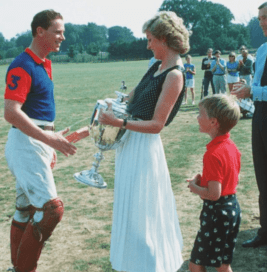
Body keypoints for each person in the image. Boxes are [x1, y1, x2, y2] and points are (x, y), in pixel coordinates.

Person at [98, 11, 189, 272]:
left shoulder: (174, 75)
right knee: (130, 212)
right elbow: (130, 101)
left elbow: (157, 125)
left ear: (164, 39)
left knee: (144, 214)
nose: (148, 45)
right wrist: (111, 106)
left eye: (150, 40)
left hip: (145, 148)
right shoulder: (155, 66)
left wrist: (119, 123)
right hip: (129, 144)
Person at [4, 10, 88, 272]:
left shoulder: (44, 63)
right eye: (58, 31)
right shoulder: (23, 64)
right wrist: (46, 137)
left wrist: (52, 139)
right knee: (51, 210)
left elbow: (36, 113)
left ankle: (17, 267)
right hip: (25, 143)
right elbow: (11, 113)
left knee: (25, 210)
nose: (63, 37)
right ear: (40, 31)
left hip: (35, 142)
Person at [232, 1, 267, 255]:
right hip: (261, 116)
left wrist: (253, 90)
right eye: (259, 19)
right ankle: (266, 232)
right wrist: (245, 88)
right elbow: (258, 84)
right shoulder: (262, 50)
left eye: (265, 18)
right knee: (264, 178)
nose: (262, 23)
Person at [187, 94, 241, 272]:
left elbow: (214, 194)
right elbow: (231, 179)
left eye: (200, 113)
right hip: (232, 208)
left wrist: (194, 188)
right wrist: (204, 180)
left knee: (195, 263)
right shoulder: (231, 146)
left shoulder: (213, 154)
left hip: (217, 213)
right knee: (223, 265)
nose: (197, 117)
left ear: (213, 122)